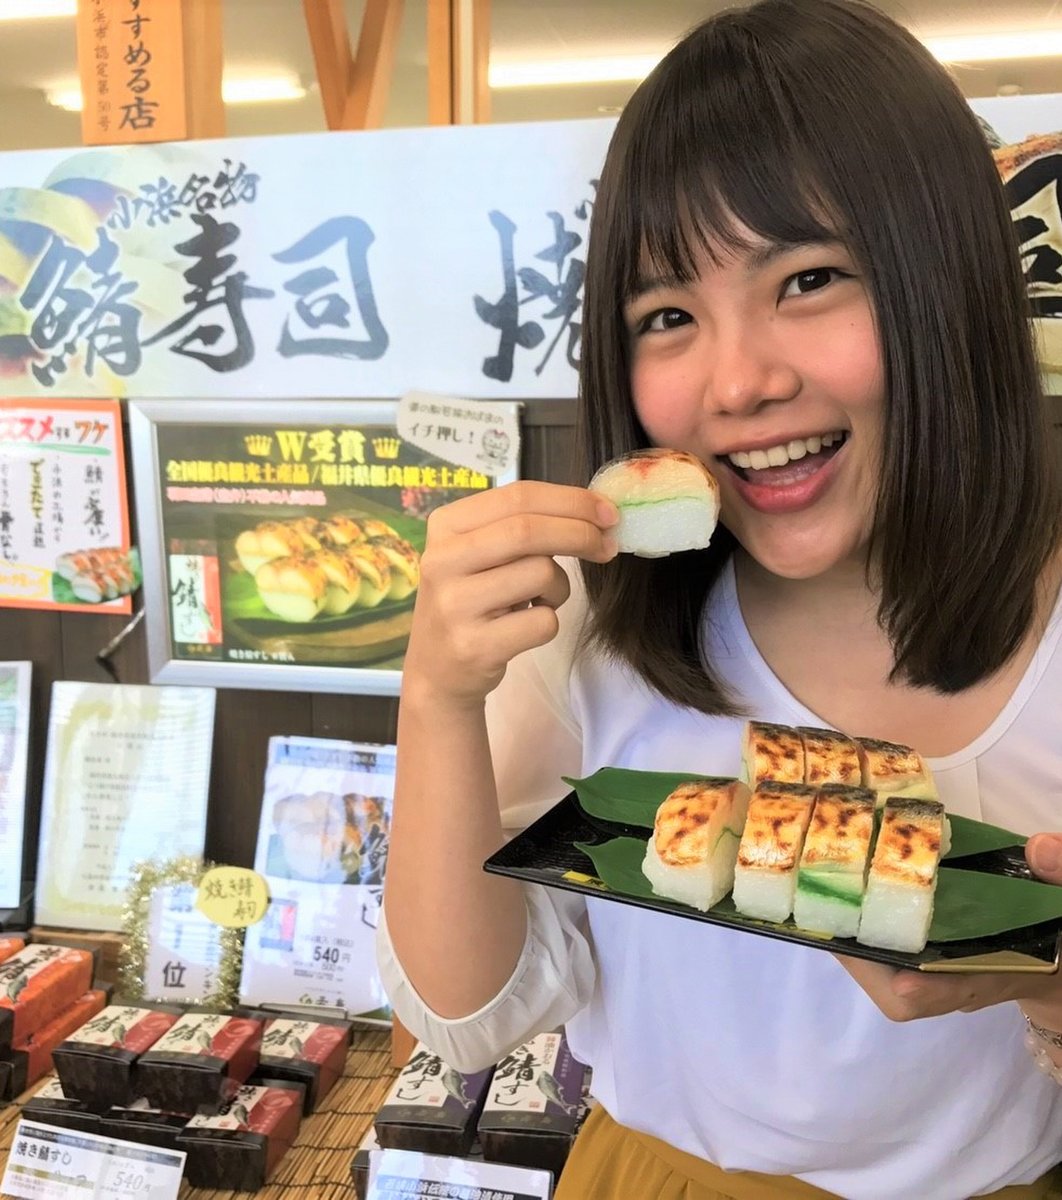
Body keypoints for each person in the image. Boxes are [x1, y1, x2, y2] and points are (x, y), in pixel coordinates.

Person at [379, 1, 1062, 1196]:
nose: (740, 381)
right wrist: (437, 696)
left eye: (809, 278)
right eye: (669, 317)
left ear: (944, 280)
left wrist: (1043, 972)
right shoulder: (593, 632)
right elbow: (464, 1013)